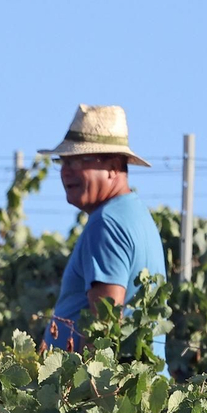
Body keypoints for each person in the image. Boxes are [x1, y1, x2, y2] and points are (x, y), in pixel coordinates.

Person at [38, 104, 167, 363]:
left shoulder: (107, 222)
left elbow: (105, 324)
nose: (67, 170)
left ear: (114, 166)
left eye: (81, 159)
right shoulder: (134, 214)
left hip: (107, 393)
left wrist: (83, 390)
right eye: (64, 161)